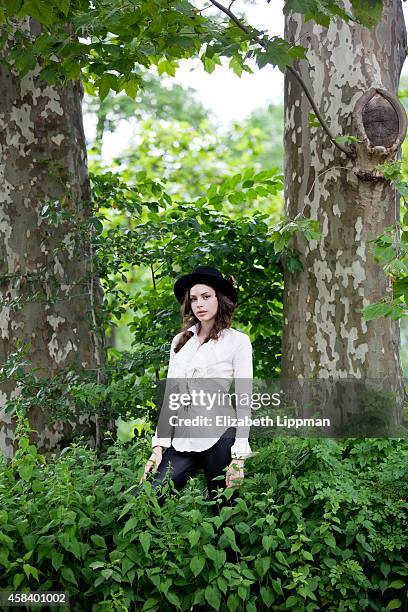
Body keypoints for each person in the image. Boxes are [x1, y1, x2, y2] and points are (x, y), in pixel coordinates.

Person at [135, 265, 254, 516]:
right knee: (146, 500)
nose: (199, 304)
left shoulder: (238, 341)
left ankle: (230, 556)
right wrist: (158, 447)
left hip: (221, 436)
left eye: (206, 296)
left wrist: (239, 457)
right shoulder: (180, 342)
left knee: (224, 513)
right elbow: (172, 397)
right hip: (183, 438)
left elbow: (244, 399)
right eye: (194, 299)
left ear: (220, 299)